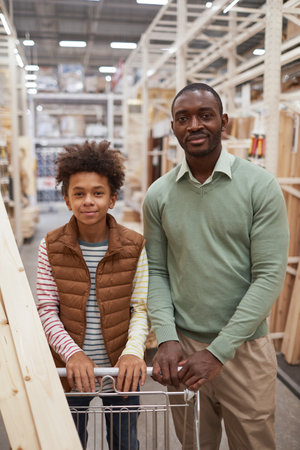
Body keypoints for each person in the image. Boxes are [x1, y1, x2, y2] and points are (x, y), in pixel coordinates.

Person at [142, 83, 289, 450]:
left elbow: (269, 276)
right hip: (184, 350)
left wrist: (219, 351)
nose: (194, 125)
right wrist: (166, 337)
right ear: (173, 127)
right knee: (193, 444)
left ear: (223, 121)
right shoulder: (159, 195)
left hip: (245, 350)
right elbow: (157, 272)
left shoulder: (260, 186)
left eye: (205, 115)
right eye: (183, 118)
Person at [36, 140, 148, 450]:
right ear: (66, 198)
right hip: (70, 372)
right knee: (70, 442)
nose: (88, 201)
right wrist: (72, 353)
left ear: (112, 199)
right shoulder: (51, 245)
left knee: (125, 443)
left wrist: (132, 352)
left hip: (121, 371)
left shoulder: (134, 246)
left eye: (98, 193)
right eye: (79, 193)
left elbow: (140, 308)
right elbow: (46, 309)